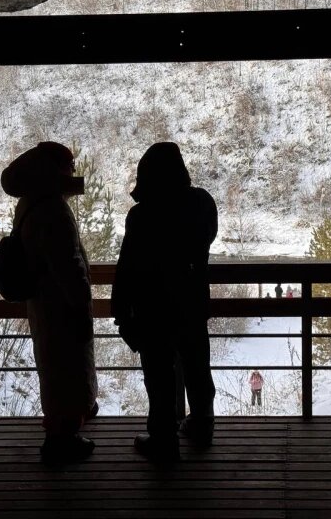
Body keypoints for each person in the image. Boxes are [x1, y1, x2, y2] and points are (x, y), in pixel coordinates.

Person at [112, 142, 218, 462]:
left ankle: (163, 440)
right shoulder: (201, 204)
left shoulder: (142, 215)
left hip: (153, 308)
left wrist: (120, 311)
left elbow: (128, 266)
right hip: (192, 302)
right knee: (197, 365)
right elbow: (206, 240)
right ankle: (202, 423)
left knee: (159, 375)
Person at [0, 142, 98, 463]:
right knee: (67, 368)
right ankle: (61, 440)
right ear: (55, 170)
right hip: (61, 306)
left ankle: (61, 429)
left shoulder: (32, 201)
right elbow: (68, 265)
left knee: (54, 367)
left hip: (44, 304)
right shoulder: (53, 209)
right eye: (69, 164)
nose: (73, 170)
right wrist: (82, 306)